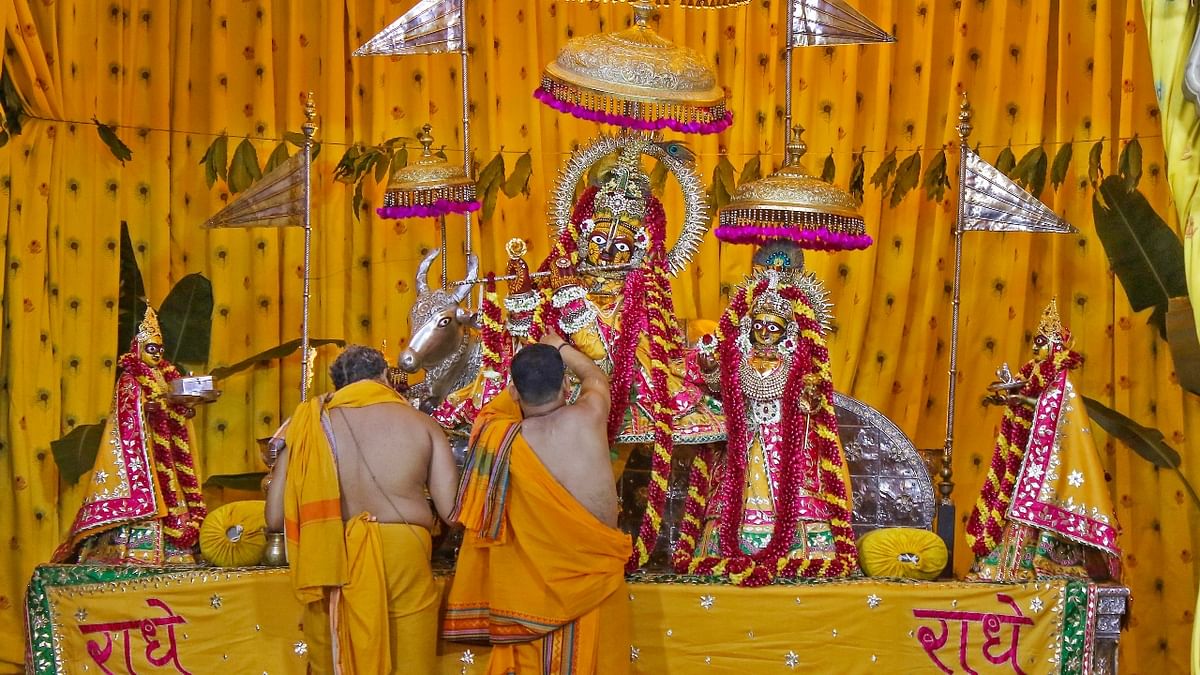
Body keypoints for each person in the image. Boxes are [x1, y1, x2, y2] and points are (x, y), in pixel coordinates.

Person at [443, 333, 631, 674]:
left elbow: (488, 413)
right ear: (564, 387)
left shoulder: (500, 439)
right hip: (597, 586)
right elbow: (595, 377)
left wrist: (519, 373)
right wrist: (560, 347)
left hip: (534, 601)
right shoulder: (588, 415)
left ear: (514, 392)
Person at [265, 345, 459, 674]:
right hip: (404, 552)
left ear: (339, 385)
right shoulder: (423, 425)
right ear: (385, 377)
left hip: (332, 553)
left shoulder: (307, 424)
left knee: (337, 651)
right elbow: (452, 511)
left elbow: (273, 519)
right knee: (408, 653)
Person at [676, 259, 858, 586]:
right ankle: (724, 545)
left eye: (773, 327)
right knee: (733, 486)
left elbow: (812, 402)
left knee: (794, 483)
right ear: (749, 325)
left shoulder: (798, 360)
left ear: (787, 330)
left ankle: (799, 545)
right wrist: (709, 366)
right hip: (742, 440)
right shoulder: (738, 356)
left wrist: (810, 395)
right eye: (759, 325)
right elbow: (719, 385)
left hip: (786, 446)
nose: (764, 333)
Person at [965, 299, 1122, 581]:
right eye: (1035, 343)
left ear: (1055, 346)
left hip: (1052, 461)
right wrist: (1009, 400)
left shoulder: (1062, 379)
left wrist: (1020, 398)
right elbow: (1031, 404)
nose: (1036, 348)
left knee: (1043, 505)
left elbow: (1052, 410)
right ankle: (1004, 565)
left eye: (1042, 342)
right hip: (1029, 455)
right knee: (1014, 504)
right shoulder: (1033, 372)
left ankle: (1051, 562)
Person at [53, 307, 207, 565]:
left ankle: (175, 551)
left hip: (166, 450)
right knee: (151, 495)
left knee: (172, 494)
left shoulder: (167, 376)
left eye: (159, 349)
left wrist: (183, 409)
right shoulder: (130, 378)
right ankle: (134, 551)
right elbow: (126, 410)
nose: (157, 354)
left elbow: (174, 411)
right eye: (151, 349)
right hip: (141, 450)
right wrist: (150, 407)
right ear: (137, 349)